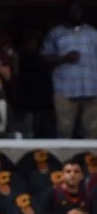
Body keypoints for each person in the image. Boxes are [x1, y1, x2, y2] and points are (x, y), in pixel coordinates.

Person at [41, 1, 97, 139]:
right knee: (64, 133)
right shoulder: (56, 33)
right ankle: (65, 161)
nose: (75, 13)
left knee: (91, 134)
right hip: (65, 92)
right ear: (66, 13)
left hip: (91, 91)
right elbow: (44, 57)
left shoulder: (93, 33)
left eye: (78, 10)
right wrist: (63, 58)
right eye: (72, 10)